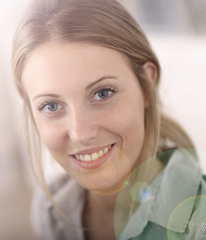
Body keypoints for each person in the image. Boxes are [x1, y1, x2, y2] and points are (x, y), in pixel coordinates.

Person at [11, 0, 206, 239]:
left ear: (146, 86)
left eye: (103, 93)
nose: (80, 132)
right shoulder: (51, 214)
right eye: (51, 106)